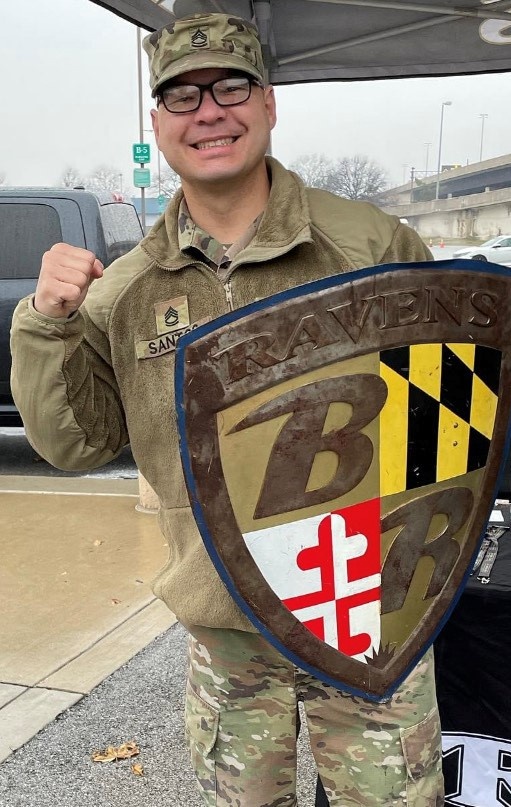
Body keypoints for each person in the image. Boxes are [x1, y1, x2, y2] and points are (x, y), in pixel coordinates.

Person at [10, 13, 444, 806]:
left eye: (230, 86)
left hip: (367, 610)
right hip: (226, 628)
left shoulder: (369, 243)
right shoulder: (125, 288)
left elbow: (447, 418)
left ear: (268, 103)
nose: (208, 111)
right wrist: (44, 324)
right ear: (158, 124)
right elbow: (77, 445)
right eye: (181, 95)